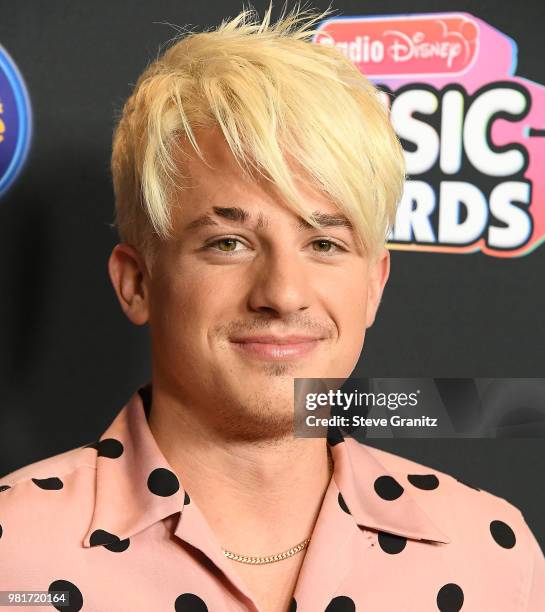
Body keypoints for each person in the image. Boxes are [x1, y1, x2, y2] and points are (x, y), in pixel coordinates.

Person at [1, 3, 543, 611]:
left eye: (324, 243)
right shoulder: (13, 554)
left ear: (374, 286)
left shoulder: (494, 558)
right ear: (137, 284)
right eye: (228, 243)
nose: (282, 293)